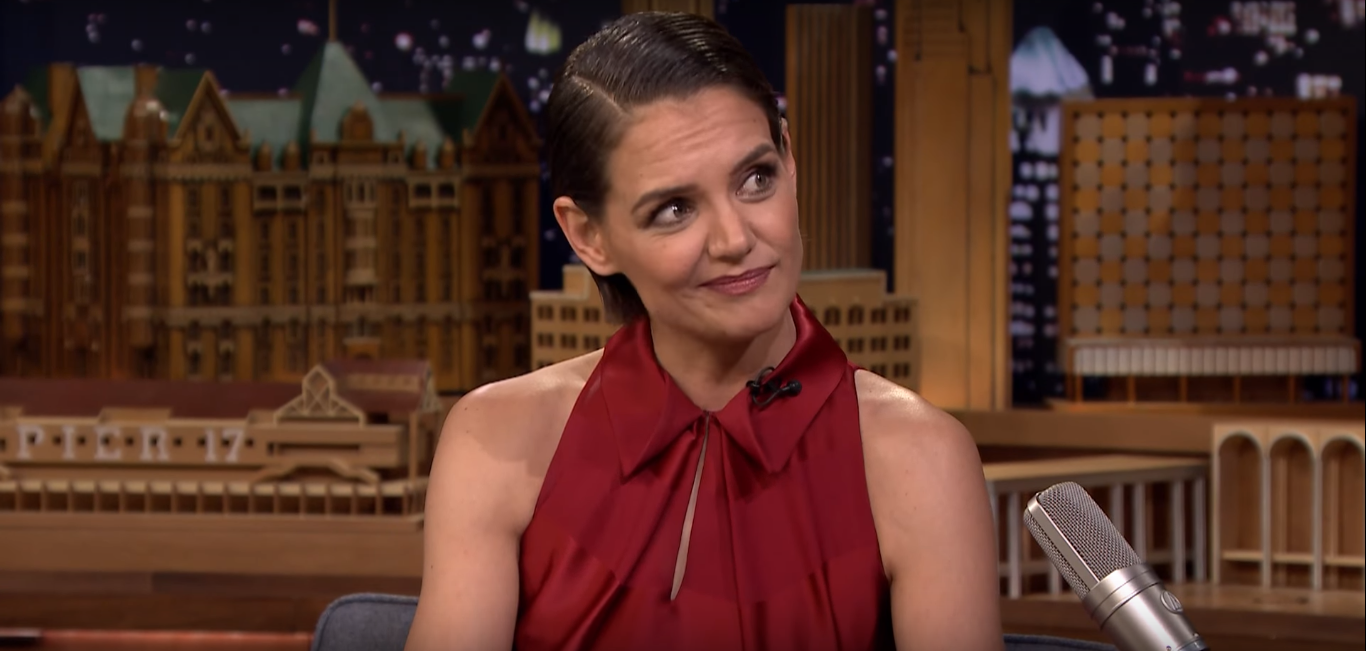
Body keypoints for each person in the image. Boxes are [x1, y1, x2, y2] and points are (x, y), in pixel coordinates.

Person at [405, 12, 1003, 651]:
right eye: (674, 209)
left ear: (790, 160)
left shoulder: (921, 461)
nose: (735, 239)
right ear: (589, 236)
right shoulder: (496, 442)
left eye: (756, 179)